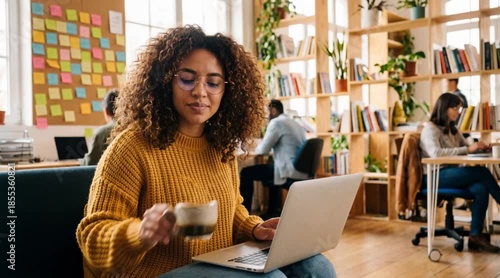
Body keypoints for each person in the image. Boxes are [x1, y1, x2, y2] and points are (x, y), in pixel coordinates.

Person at [76, 25, 336, 277]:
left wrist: (255, 228)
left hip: (215, 264)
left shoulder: (219, 145)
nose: (200, 92)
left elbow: (231, 211)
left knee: (316, 267)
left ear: (227, 91)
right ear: (165, 82)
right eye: (187, 79)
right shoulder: (131, 147)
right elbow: (92, 237)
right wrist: (140, 232)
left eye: (213, 83)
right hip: (151, 273)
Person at [420, 92, 500, 253]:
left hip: (452, 174)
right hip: (435, 176)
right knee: (482, 173)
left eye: (459, 108)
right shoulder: (430, 129)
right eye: (455, 108)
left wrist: (480, 147)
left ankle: (475, 237)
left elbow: (466, 149)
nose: (458, 112)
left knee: (481, 189)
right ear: (444, 108)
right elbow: (435, 154)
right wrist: (468, 149)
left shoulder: (452, 129)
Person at [240, 99, 307, 219]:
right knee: (270, 170)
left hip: (287, 169)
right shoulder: (293, 122)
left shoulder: (276, 122)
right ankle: (272, 211)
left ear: (274, 111)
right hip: (300, 168)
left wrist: (254, 146)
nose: (266, 117)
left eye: (267, 113)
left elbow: (262, 150)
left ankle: (244, 215)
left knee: (246, 173)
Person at [81, 89, 118, 165]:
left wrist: (83, 161)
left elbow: (91, 163)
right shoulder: (136, 129)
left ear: (106, 111)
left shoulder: (103, 132)